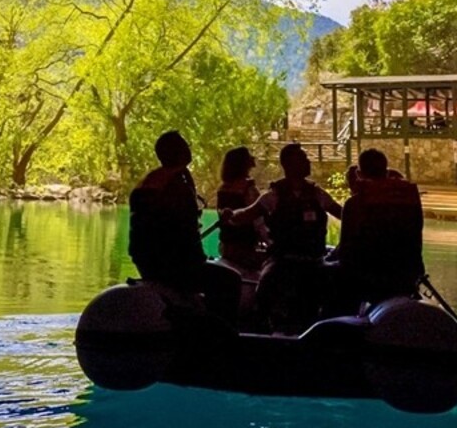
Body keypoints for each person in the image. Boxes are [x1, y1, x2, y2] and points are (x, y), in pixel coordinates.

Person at [223, 143, 343, 330]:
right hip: (283, 261)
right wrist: (231, 216)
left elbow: (343, 213)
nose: (307, 161)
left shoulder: (318, 194)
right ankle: (260, 327)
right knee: (265, 289)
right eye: (302, 158)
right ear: (288, 164)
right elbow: (247, 214)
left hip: (315, 261)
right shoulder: (273, 196)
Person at [128, 131, 241, 325]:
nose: (189, 147)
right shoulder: (176, 186)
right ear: (178, 152)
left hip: (147, 263)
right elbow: (184, 233)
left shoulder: (149, 181)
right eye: (185, 144)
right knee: (230, 281)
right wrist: (197, 260)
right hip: (172, 267)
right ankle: (221, 333)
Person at [332, 147, 424, 311]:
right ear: (386, 171)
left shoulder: (354, 203)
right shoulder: (409, 200)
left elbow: (346, 248)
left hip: (367, 277)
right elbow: (417, 234)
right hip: (406, 273)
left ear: (359, 174)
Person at [216, 146, 264, 271]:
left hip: (227, 245)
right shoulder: (248, 189)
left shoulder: (223, 189)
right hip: (245, 246)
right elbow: (258, 219)